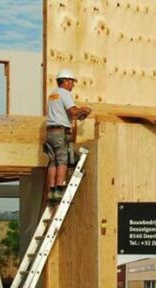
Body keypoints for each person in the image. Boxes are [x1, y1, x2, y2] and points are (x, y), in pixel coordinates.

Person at [45, 68, 91, 203]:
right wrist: (85, 109)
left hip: (50, 132)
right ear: (65, 81)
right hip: (60, 132)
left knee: (53, 162)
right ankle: (59, 190)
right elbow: (73, 111)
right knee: (63, 160)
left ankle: (52, 191)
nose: (73, 85)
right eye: (71, 82)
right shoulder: (64, 93)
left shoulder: (53, 95)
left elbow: (67, 114)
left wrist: (79, 114)